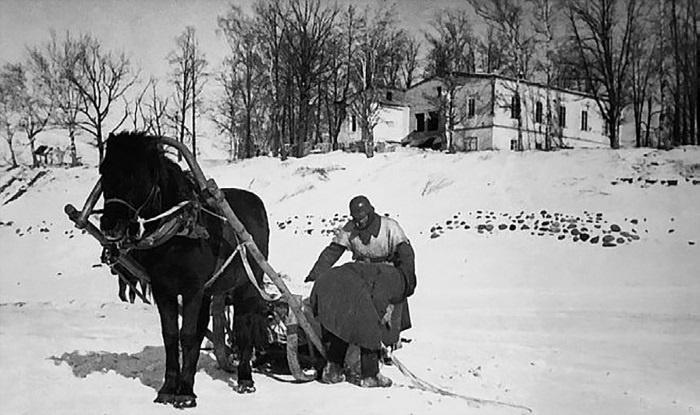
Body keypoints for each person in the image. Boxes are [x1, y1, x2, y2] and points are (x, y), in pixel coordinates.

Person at [306, 195, 417, 388]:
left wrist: (407, 281)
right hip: (360, 276)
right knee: (347, 311)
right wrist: (316, 275)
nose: (360, 221)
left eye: (363, 217)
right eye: (356, 218)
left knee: (381, 321)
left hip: (385, 276)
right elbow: (332, 252)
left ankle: (384, 348)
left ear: (371, 211)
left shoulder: (390, 227)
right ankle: (350, 365)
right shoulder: (350, 229)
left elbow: (406, 254)